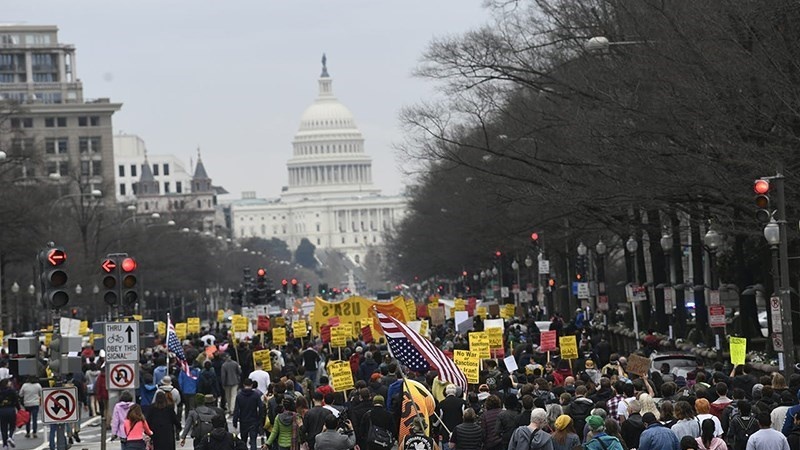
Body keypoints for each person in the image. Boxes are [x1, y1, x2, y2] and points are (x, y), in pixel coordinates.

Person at [232, 377, 264, 450]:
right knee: (253, 441)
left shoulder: (239, 396)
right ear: (252, 385)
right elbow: (261, 407)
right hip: (254, 420)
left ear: (243, 385)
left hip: (243, 421)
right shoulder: (255, 395)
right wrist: (260, 418)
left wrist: (235, 421)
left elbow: (236, 410)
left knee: (243, 441)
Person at [0, 378, 19, 450]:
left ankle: (5, 445)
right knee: (12, 425)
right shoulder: (12, 391)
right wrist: (19, 409)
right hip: (11, 410)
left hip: (1, 411)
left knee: (3, 428)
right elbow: (16, 401)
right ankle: (10, 437)